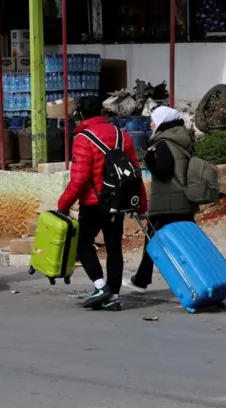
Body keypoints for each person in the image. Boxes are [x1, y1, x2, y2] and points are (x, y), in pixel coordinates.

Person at [57, 96, 148, 312]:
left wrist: (63, 204)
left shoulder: (83, 139)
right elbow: (135, 172)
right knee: (114, 247)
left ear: (80, 114)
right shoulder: (121, 135)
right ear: (101, 111)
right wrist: (142, 205)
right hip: (118, 202)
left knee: (82, 243)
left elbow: (79, 178)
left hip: (93, 202)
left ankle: (100, 286)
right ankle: (113, 296)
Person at [122, 106, 199, 294]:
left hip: (167, 202)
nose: (151, 124)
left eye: (153, 120)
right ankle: (196, 279)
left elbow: (163, 172)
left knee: (152, 240)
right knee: (186, 243)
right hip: (183, 200)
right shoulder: (183, 139)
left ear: (162, 121)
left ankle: (142, 280)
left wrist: (149, 158)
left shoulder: (165, 143)